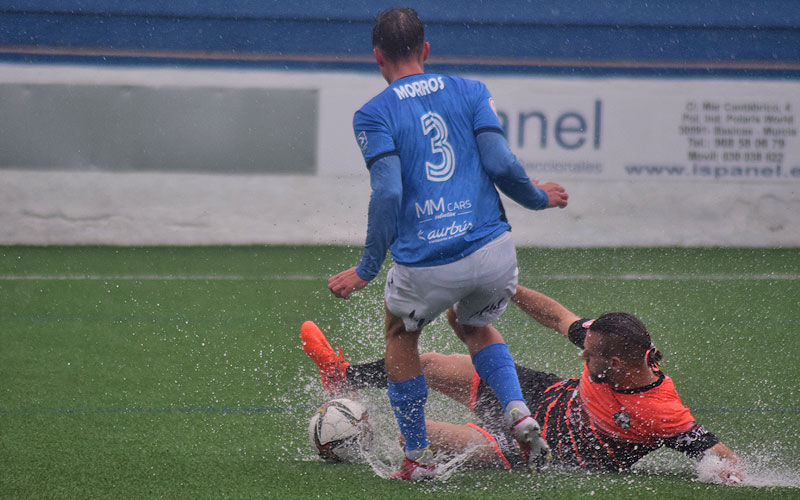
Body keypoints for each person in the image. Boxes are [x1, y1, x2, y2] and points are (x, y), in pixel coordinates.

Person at [326, 8, 568, 481]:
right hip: (492, 250)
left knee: (401, 335)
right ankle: (517, 409)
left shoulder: (373, 113)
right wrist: (538, 198)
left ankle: (416, 457)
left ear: (377, 56)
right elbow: (500, 163)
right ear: (426, 50)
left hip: (429, 261)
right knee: (474, 324)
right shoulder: (471, 90)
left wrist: (368, 267)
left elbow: (390, 192)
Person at [302, 285, 744, 485]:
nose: (580, 354)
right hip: (537, 394)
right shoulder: (610, 344)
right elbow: (556, 316)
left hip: (534, 448)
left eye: (588, 357)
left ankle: (361, 440)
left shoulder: (660, 410)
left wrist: (728, 473)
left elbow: (715, 451)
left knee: (418, 433)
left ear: (614, 362)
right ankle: (343, 376)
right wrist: (504, 286)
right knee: (431, 363)